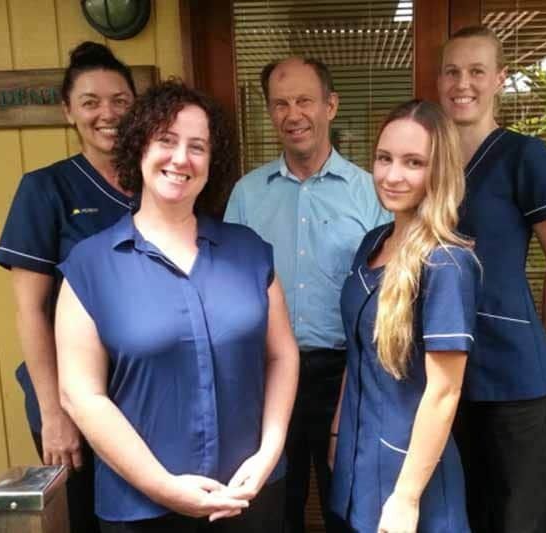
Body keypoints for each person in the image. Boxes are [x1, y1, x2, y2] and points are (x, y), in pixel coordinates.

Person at [54, 80, 299, 533]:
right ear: (139, 147)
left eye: (198, 146)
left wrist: (269, 451)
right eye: (166, 140)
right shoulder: (89, 266)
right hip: (142, 508)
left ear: (213, 161)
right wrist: (162, 486)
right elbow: (80, 394)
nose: (181, 158)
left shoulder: (249, 252)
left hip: (249, 496)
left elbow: (282, 354)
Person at [224, 57, 390, 532]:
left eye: (304, 101)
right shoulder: (246, 195)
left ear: (330, 106)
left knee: (349, 508)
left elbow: (385, 297)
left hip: (347, 376)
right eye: (280, 104)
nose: (293, 114)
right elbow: (233, 290)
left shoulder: (369, 194)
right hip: (268, 377)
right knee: (275, 510)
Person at [438, 26, 546, 533]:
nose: (463, 83)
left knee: (519, 514)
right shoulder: (432, 165)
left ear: (499, 78)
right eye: (452, 71)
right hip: (444, 371)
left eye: (477, 71)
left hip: (513, 372)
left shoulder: (525, 156)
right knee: (461, 511)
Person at [0, 41, 137, 533]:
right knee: (84, 517)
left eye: (120, 100)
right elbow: (30, 310)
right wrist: (54, 412)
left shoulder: (160, 184)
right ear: (68, 111)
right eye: (91, 102)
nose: (108, 113)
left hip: (140, 387)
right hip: (72, 391)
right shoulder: (46, 189)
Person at [329, 99, 478, 533]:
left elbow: (445, 391)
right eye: (384, 158)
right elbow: (357, 351)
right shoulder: (373, 243)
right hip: (357, 464)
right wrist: (338, 432)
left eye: (414, 162)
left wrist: (407, 497)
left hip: (409, 481)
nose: (393, 175)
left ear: (440, 171)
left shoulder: (447, 264)